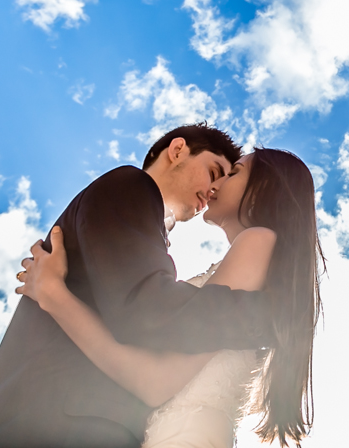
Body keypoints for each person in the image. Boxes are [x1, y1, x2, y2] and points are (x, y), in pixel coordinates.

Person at [0, 124, 276, 447]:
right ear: (177, 150)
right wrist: (269, 315)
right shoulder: (130, 186)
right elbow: (147, 311)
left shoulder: (148, 234)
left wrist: (54, 294)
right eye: (213, 172)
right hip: (45, 427)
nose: (214, 188)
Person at [16, 148, 322, 448]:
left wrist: (54, 294)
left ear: (262, 189)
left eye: (233, 173)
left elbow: (154, 382)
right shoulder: (251, 261)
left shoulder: (258, 240)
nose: (216, 184)